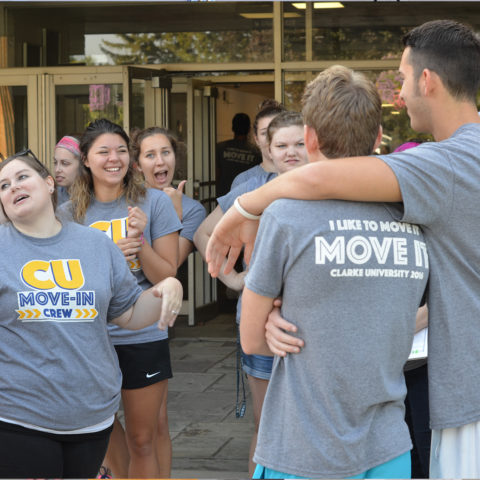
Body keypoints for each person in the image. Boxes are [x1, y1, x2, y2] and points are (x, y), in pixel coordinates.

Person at [207, 19, 480, 478]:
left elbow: (319, 177)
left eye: (404, 76)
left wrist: (245, 209)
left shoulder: (450, 163)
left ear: (427, 80)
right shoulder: (410, 209)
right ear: (378, 139)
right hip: (392, 435)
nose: (401, 94)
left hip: (317, 442)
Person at [240, 65, 429, 479]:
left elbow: (252, 338)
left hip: (302, 448)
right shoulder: (416, 216)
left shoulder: (286, 215)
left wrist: (278, 317)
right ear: (380, 138)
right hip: (388, 447)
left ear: (309, 138)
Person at [0, 150, 182, 478]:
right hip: (19, 417)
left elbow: (130, 314)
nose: (12, 187)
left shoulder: (96, 245)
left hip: (91, 418)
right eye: (3, 185)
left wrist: (168, 290)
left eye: (21, 177)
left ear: (49, 183)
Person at [59, 118, 182, 478]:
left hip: (142, 335)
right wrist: (108, 254)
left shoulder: (154, 203)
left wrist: (140, 245)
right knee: (101, 433)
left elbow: (168, 277)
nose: (114, 159)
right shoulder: (67, 215)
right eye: (103, 152)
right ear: (85, 159)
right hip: (90, 340)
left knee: (143, 438)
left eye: (121, 151)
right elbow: (64, 279)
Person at [195, 111, 308, 477]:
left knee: (309, 427)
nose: (291, 152)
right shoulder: (252, 190)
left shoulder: (327, 186)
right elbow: (204, 234)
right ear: (268, 150)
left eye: (300, 143)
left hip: (311, 325)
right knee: (265, 427)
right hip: (259, 323)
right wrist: (236, 281)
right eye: (282, 145)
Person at [132, 126, 206, 267]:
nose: (160, 161)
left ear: (174, 158)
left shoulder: (193, 210)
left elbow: (171, 264)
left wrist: (175, 214)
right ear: (138, 165)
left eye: (166, 152)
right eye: (150, 155)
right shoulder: (127, 199)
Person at [230, 100, 286, 189]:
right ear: (256, 139)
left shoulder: (303, 175)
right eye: (264, 133)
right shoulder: (243, 181)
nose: (271, 138)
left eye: (277, 130)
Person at [216, 112, 261, 197]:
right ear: (249, 129)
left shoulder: (220, 148)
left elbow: (215, 174)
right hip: (246, 199)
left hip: (223, 197)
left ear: (232, 128)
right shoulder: (256, 152)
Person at [53, 135, 81, 205]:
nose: (57, 169)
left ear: (82, 165)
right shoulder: (52, 197)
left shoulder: (99, 197)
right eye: (55, 162)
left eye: (65, 163)